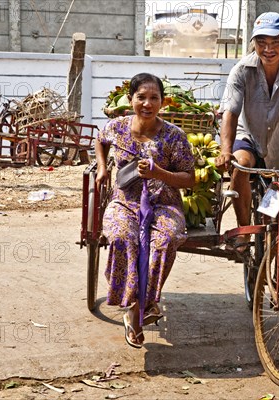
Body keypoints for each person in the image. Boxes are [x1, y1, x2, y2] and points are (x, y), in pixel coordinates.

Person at [95, 73, 195, 348]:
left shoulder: (174, 137)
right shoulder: (117, 126)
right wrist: (103, 167)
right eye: (141, 97)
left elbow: (189, 178)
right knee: (120, 237)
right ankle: (132, 305)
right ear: (130, 99)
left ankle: (143, 306)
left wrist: (159, 172)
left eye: (154, 98)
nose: (147, 103)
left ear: (163, 102)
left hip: (164, 202)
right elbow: (101, 141)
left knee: (165, 239)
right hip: (125, 201)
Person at [215, 12, 279, 250]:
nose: (268, 49)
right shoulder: (241, 70)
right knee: (241, 164)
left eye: (275, 43)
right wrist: (226, 151)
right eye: (262, 43)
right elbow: (229, 112)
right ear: (254, 43)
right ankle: (244, 231)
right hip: (248, 135)